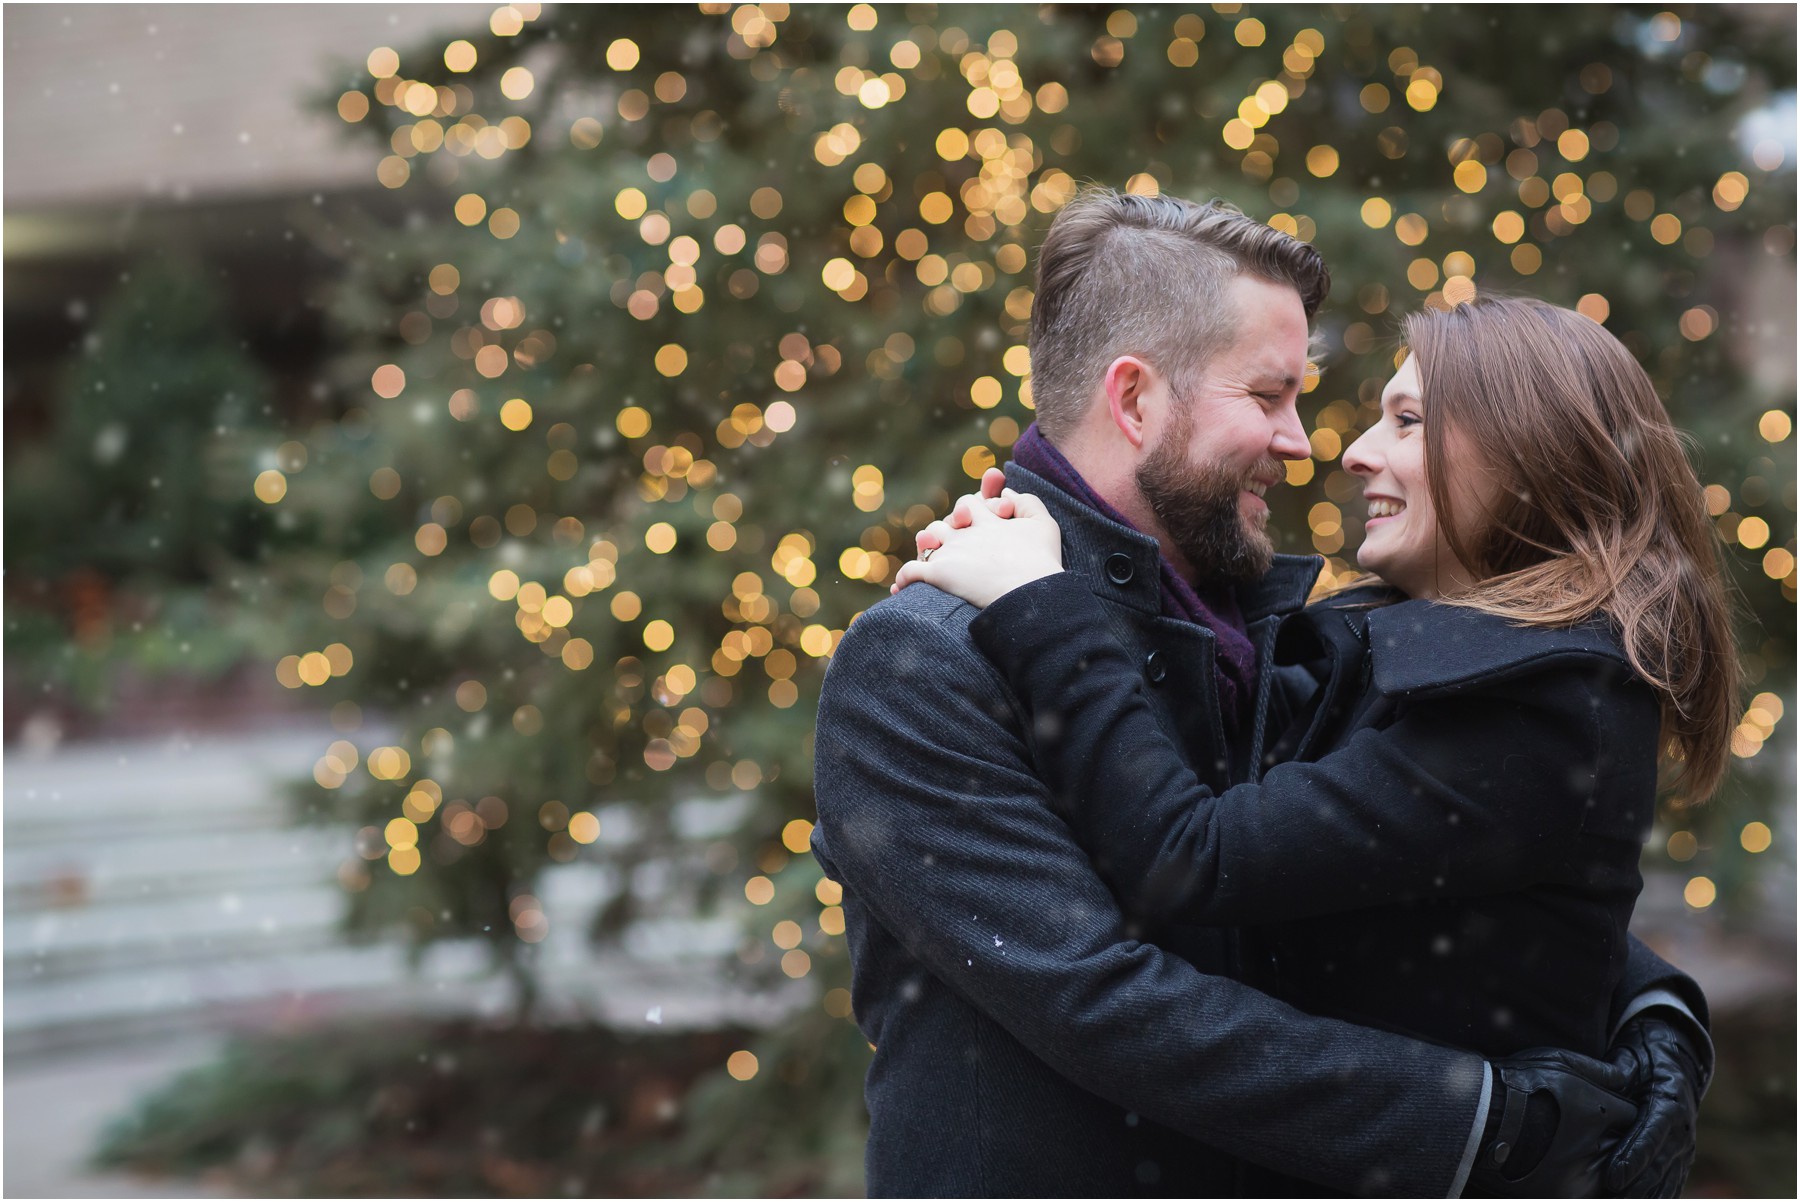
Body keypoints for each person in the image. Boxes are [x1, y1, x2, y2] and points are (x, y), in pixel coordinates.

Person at [810, 188, 1712, 1197]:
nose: (1309, 443)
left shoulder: (1263, 628)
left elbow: (1432, 845)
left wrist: (1650, 1010)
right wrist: (1490, 1119)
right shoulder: (928, 661)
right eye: (1270, 396)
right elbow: (1108, 1001)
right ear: (1137, 399)